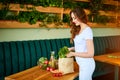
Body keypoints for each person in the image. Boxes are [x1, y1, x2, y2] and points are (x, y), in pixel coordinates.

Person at [66, 7, 95, 80]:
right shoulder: (79, 28)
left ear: (80, 16)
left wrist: (73, 54)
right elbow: (82, 46)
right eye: (72, 18)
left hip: (87, 65)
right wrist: (72, 49)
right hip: (82, 64)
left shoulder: (87, 31)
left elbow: (91, 53)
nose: (73, 21)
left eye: (75, 18)